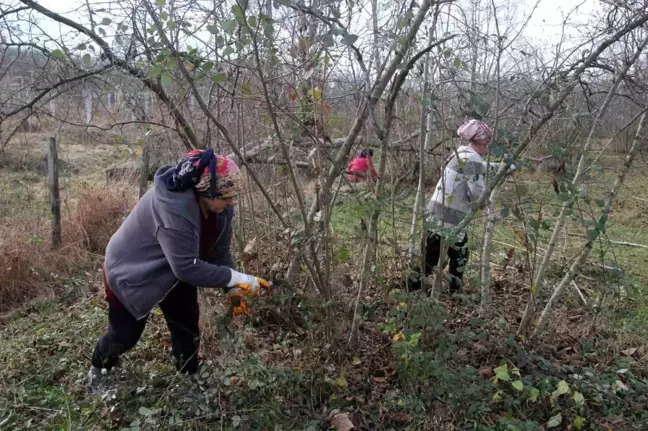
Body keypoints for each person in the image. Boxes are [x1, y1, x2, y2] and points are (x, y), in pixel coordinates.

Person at [87, 148, 269, 391]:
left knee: (187, 326)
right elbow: (186, 268)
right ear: (208, 190)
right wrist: (237, 277)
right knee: (125, 335)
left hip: (175, 268)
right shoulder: (175, 209)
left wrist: (233, 286)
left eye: (233, 196)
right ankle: (99, 369)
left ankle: (189, 376)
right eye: (227, 196)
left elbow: (219, 252)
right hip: (132, 272)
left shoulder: (221, 208)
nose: (232, 201)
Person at [420, 119, 513, 293]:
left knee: (429, 256)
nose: (487, 148)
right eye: (487, 144)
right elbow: (477, 192)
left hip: (435, 211)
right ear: (482, 143)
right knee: (458, 256)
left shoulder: (461, 153)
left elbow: (481, 168)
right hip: (450, 216)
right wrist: (489, 210)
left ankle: (414, 288)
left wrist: (502, 168)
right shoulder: (472, 159)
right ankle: (452, 292)